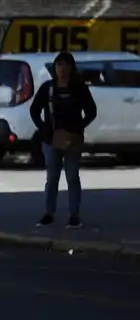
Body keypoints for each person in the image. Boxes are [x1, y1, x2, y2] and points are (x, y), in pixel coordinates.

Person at [30, 50, 96, 228]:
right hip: (51, 139)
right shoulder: (48, 88)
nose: (62, 69)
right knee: (52, 178)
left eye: (66, 65)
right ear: (55, 68)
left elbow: (92, 112)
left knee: (72, 176)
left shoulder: (79, 89)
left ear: (71, 68)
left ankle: (74, 215)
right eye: (59, 65)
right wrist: (43, 128)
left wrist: (78, 128)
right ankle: (48, 213)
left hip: (72, 140)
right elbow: (34, 110)